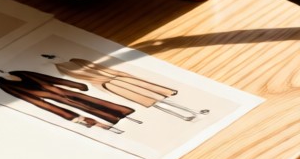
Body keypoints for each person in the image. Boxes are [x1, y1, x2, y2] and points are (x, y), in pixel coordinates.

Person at [40, 54, 209, 121]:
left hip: (118, 79)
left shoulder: (77, 61)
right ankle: (184, 115)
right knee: (152, 101)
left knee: (158, 96)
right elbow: (90, 76)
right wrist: (105, 85)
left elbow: (101, 68)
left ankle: (192, 111)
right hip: (112, 84)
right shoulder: (63, 68)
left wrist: (123, 75)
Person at [0, 68, 141, 133]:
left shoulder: (19, 72)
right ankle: (112, 120)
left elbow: (47, 78)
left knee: (91, 100)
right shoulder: (3, 84)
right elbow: (25, 97)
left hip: (60, 90)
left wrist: (75, 84)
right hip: (51, 97)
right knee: (83, 107)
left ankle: (125, 113)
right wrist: (52, 108)